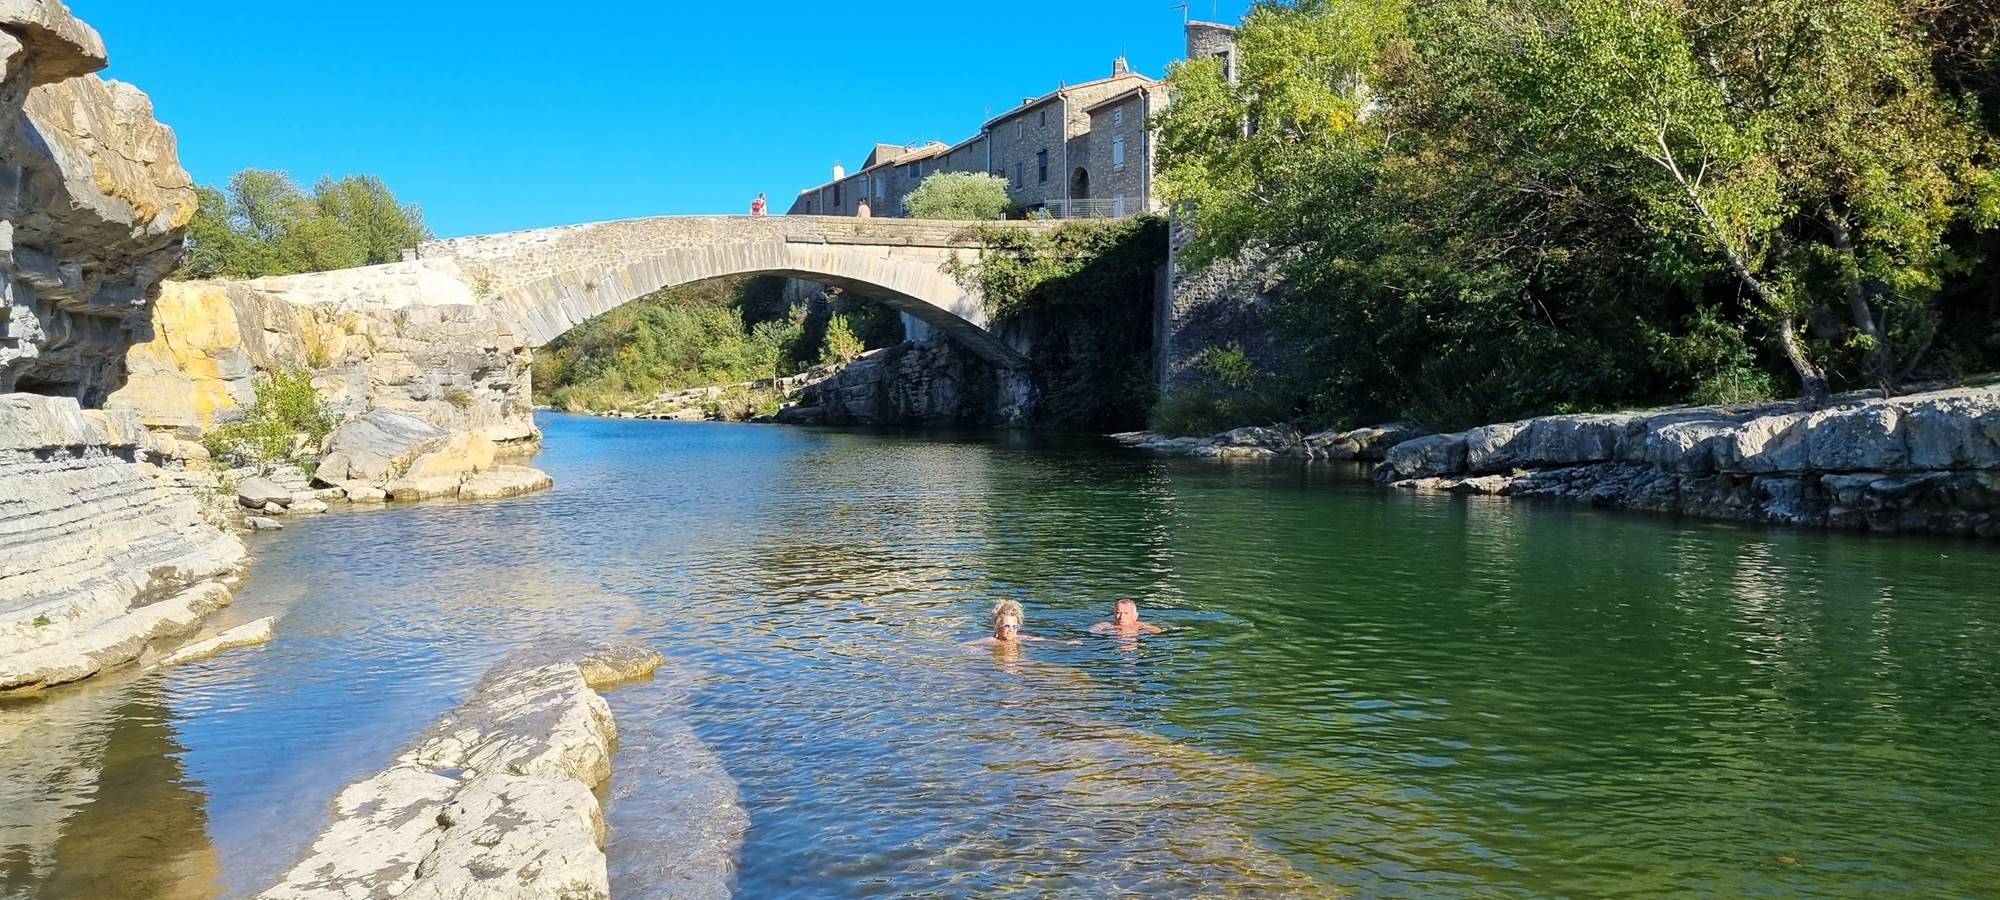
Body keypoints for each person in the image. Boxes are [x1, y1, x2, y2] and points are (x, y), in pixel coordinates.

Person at [964, 599, 1063, 647]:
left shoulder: (1019, 638)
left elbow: (1042, 640)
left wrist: (1064, 642)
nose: (1011, 630)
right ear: (998, 626)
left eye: (1015, 626)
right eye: (1007, 626)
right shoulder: (992, 641)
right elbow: (965, 645)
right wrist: (975, 650)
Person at [1089, 598, 1164, 636]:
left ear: (1135, 616)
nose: (1121, 617)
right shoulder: (1105, 625)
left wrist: (1138, 632)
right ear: (1114, 614)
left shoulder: (1140, 625)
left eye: (1126, 613)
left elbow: (1158, 630)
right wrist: (1111, 632)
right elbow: (1092, 631)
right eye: (1118, 613)